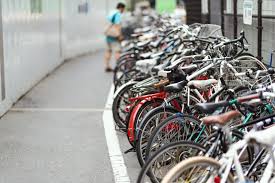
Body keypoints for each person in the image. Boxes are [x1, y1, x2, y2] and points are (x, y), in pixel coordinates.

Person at [104, 2, 126, 72]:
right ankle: (118, 67)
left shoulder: (111, 12)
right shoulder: (117, 14)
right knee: (117, 51)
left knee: (108, 51)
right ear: (121, 8)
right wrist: (119, 35)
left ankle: (107, 66)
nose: (123, 11)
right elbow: (117, 25)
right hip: (114, 36)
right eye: (123, 9)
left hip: (108, 35)